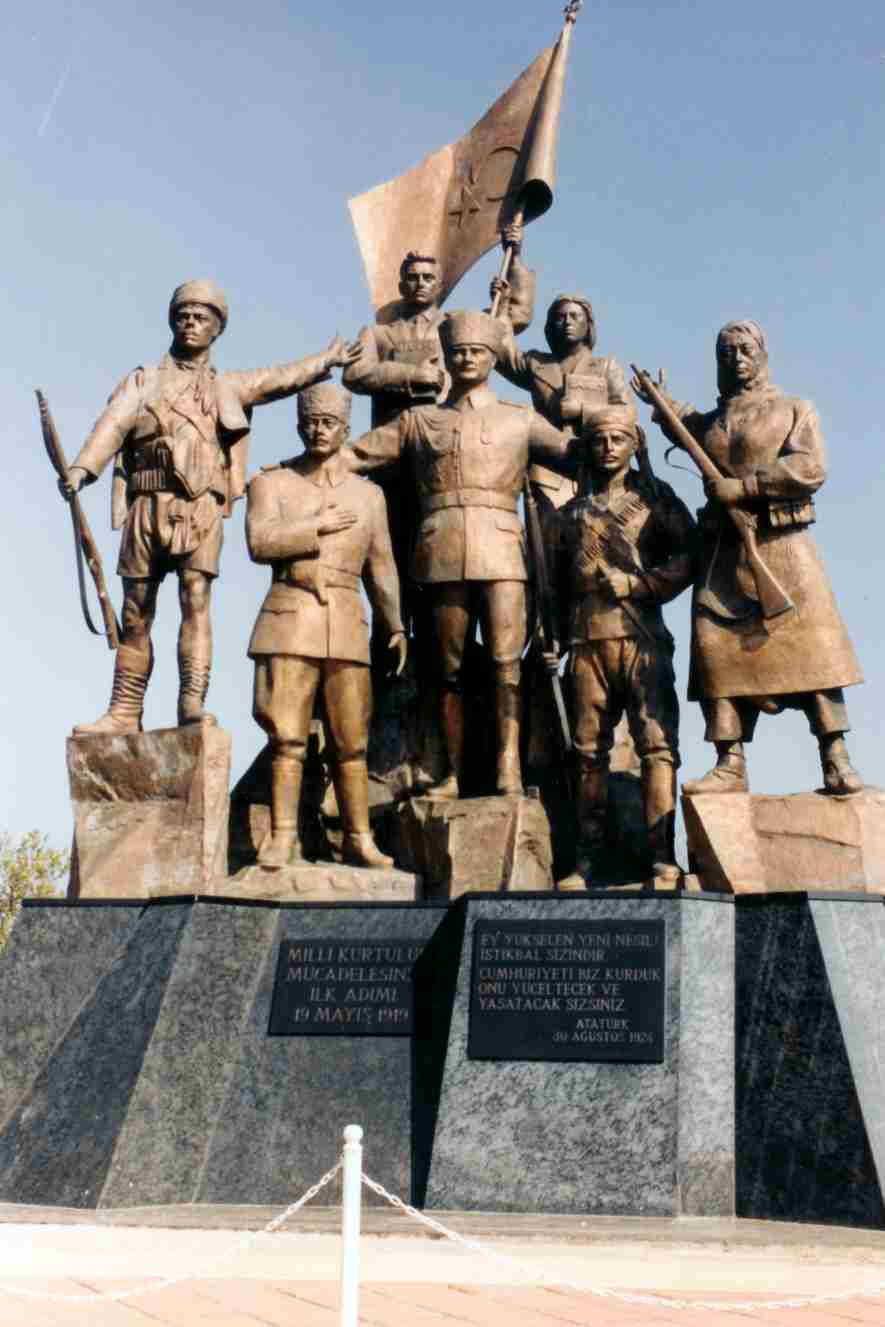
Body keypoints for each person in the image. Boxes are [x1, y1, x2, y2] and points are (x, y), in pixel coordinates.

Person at [60, 279, 355, 734]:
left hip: (200, 507)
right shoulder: (144, 380)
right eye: (183, 316)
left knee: (195, 600)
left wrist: (325, 362)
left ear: (217, 329)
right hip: (147, 505)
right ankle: (124, 710)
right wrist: (83, 469)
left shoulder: (227, 387)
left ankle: (191, 703)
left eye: (201, 318)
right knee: (136, 610)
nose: (191, 324)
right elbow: (112, 425)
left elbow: (277, 380)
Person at [350, 309, 574, 800]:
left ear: (493, 358)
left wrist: (604, 421)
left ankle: (508, 769)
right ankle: (448, 772)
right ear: (446, 358)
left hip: (503, 553)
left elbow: (574, 454)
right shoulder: (419, 420)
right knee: (445, 669)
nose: (467, 358)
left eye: (476, 351)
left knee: (506, 664)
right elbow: (355, 454)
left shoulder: (519, 419)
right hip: (440, 551)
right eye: (458, 352)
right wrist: (299, 470)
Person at [633, 320, 863, 796]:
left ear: (762, 353)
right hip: (723, 553)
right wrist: (660, 401)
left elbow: (810, 465)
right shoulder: (713, 422)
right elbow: (687, 427)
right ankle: (729, 761)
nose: (736, 359)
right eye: (726, 352)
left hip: (783, 546)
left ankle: (835, 755)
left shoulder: (793, 408)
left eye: (744, 349)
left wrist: (746, 487)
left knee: (815, 654)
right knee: (716, 652)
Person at [246, 382, 407, 869]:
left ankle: (358, 838)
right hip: (290, 618)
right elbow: (259, 541)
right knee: (287, 737)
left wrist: (394, 625)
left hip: (346, 620)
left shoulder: (369, 495)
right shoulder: (272, 483)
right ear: (299, 426)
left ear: (346, 428)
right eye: (311, 422)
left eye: (329, 423)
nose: (319, 430)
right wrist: (313, 526)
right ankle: (282, 837)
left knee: (351, 741)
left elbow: (382, 566)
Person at [544, 406, 696, 887]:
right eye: (599, 440)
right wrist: (550, 638)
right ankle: (585, 860)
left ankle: (662, 857)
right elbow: (551, 587)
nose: (608, 448)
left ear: (634, 444)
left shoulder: (656, 500)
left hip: (641, 637)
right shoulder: (569, 515)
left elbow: (690, 556)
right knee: (587, 753)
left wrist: (640, 584)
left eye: (618, 439)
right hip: (585, 641)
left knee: (657, 748)